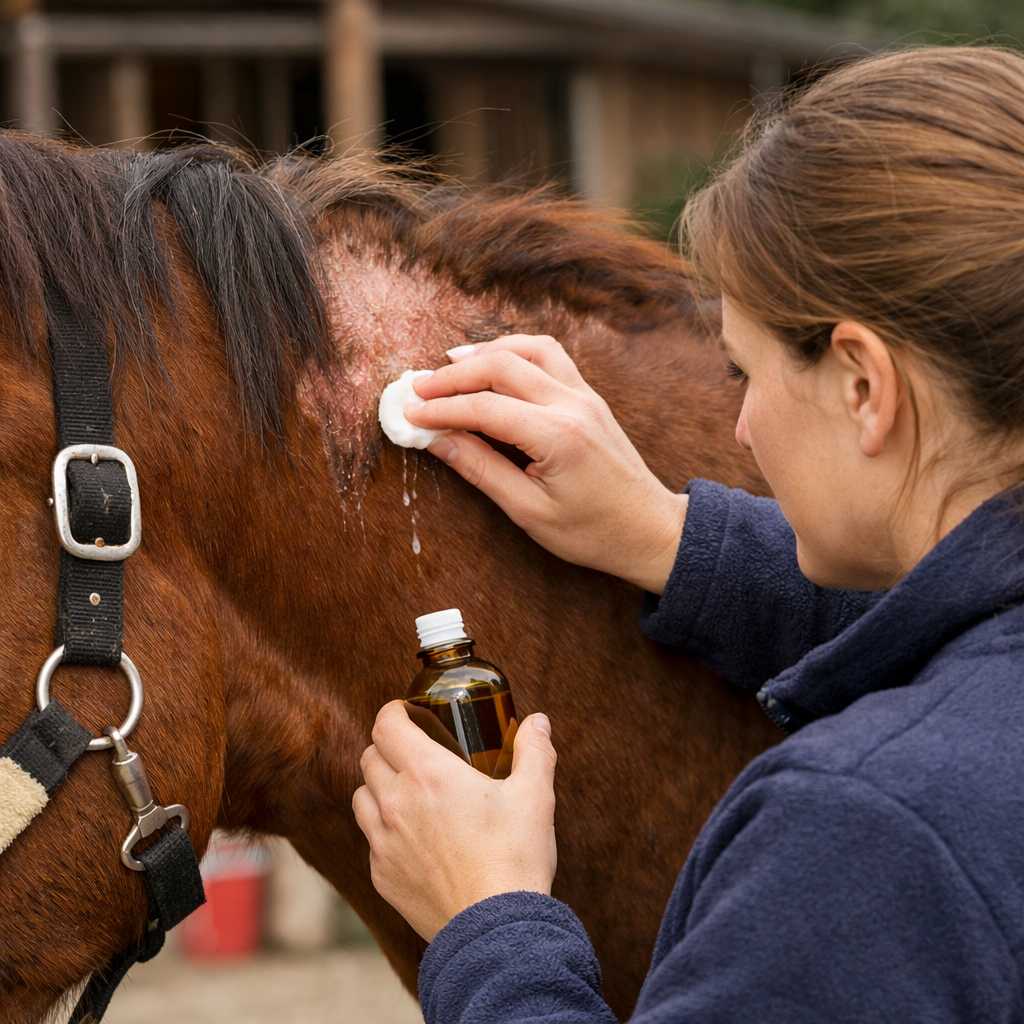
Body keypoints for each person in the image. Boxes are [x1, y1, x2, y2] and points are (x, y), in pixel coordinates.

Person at [352, 44, 1024, 1022]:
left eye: (743, 372)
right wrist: (665, 536)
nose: (740, 427)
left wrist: (486, 920)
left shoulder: (868, 833)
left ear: (864, 387)